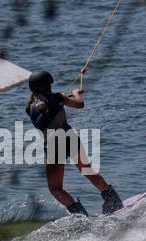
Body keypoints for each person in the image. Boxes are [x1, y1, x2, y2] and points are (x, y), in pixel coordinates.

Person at [25, 71, 123, 215]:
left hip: (52, 146)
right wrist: (76, 92)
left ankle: (79, 214)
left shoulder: (28, 108)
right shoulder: (58, 97)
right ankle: (113, 200)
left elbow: (44, 108)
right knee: (87, 170)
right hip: (69, 137)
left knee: (55, 188)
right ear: (49, 84)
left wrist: (61, 99)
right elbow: (79, 104)